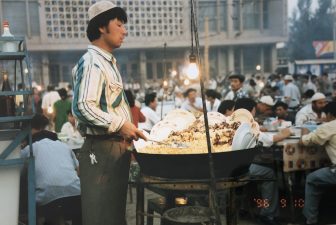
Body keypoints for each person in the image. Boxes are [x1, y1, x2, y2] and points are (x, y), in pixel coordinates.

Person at [71, 2, 146, 225]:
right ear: (102, 27)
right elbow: (83, 106)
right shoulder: (92, 61)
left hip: (114, 148)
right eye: (119, 24)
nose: (125, 30)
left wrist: (128, 129)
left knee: (113, 216)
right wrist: (121, 124)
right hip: (101, 150)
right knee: (101, 218)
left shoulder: (107, 62)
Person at [235, 98, 291, 225]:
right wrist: (285, 133)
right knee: (269, 173)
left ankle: (245, 207)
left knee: (260, 166)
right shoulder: (247, 125)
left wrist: (260, 128)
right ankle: (268, 214)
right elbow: (267, 139)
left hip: (230, 166)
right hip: (240, 169)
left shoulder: (233, 121)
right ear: (252, 110)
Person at [21, 114, 81, 225]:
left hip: (47, 200)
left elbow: (19, 176)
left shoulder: (29, 149)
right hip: (75, 193)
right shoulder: (64, 146)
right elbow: (78, 170)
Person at [299, 101, 336, 225]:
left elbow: (303, 142)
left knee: (311, 179)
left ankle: (311, 220)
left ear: (330, 114)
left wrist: (304, 130)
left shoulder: (329, 127)